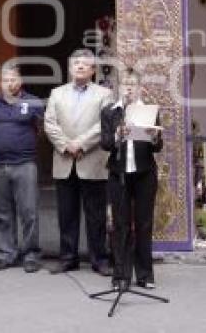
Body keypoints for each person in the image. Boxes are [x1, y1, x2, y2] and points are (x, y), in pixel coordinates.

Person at [44, 49, 113, 276]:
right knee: (67, 214)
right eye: (76, 63)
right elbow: (50, 124)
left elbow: (104, 125)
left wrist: (80, 145)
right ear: (70, 68)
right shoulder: (57, 93)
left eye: (85, 64)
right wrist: (66, 145)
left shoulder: (105, 94)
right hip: (65, 161)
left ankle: (99, 259)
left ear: (93, 70)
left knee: (96, 215)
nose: (80, 67)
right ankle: (67, 257)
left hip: (92, 161)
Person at [100, 70, 162, 290]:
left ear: (139, 87)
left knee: (144, 224)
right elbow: (105, 144)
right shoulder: (110, 112)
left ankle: (145, 275)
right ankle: (121, 276)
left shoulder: (149, 111)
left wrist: (154, 137)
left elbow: (157, 146)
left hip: (145, 174)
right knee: (120, 225)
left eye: (133, 84)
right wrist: (117, 134)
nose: (129, 88)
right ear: (119, 87)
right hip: (119, 175)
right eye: (125, 84)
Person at [0, 63, 44, 273]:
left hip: (25, 165)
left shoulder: (33, 103)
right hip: (0, 165)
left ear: (20, 81)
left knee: (29, 212)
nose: (9, 84)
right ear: (0, 82)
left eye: (13, 80)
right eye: (5, 80)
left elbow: (41, 129)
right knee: (3, 212)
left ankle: (30, 255)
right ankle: (6, 254)